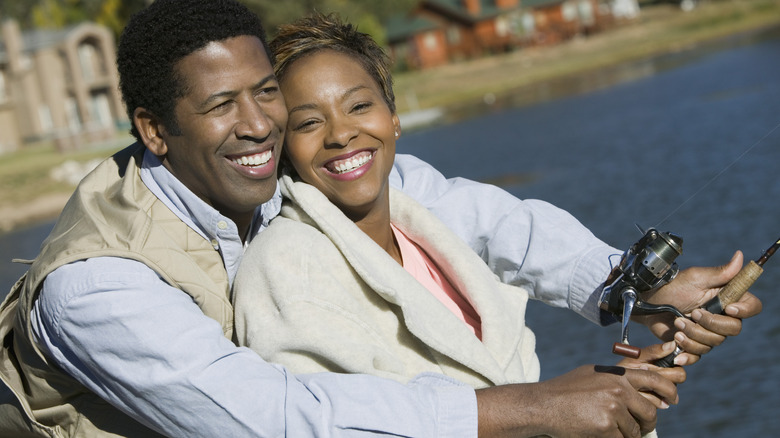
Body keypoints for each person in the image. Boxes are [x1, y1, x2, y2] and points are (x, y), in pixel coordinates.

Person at [0, 0, 760, 437]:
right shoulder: (96, 289)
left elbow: (469, 211)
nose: (259, 124)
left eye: (266, 92)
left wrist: (630, 286)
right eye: (219, 105)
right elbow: (273, 422)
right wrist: (534, 407)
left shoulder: (265, 168)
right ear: (155, 130)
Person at [231, 12, 684, 436]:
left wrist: (612, 391)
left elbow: (513, 233)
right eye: (308, 121)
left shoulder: (423, 227)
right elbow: (327, 422)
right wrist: (544, 408)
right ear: (283, 147)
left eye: (359, 105)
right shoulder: (283, 268)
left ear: (394, 118)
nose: (340, 133)